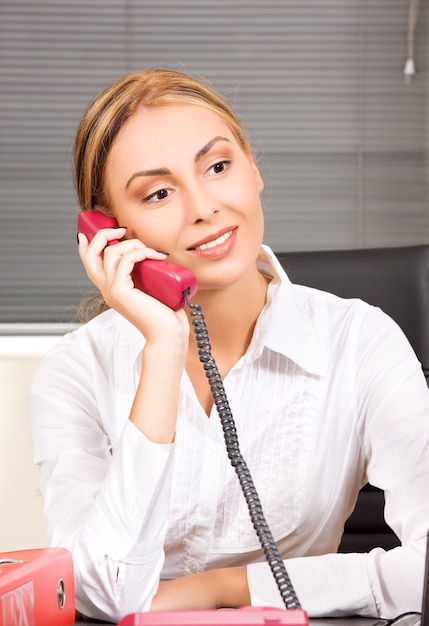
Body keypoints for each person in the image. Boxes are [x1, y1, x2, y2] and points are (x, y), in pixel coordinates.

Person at [30, 68, 429, 623]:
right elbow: (95, 590)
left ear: (253, 170)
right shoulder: (76, 371)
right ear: (109, 232)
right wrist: (163, 354)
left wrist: (224, 589)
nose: (203, 207)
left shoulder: (360, 343)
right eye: (159, 192)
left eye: (218, 167)